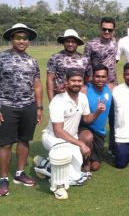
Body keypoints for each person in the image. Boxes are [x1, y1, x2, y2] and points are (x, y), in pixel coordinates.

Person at [40, 69, 106, 199]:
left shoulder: (82, 97)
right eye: (73, 81)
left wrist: (98, 111)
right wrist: (80, 144)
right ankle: (58, 187)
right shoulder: (58, 101)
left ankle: (46, 166)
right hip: (53, 138)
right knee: (64, 156)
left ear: (83, 82)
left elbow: (87, 119)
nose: (76, 83)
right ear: (66, 82)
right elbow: (58, 131)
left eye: (79, 81)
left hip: (71, 138)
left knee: (76, 173)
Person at [0, 23, 43, 197]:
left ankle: (19, 173)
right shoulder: (1, 58)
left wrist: (39, 107)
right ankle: (3, 178)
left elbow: (37, 85)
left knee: (24, 141)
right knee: (5, 143)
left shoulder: (32, 61)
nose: (22, 40)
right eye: (18, 37)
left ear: (28, 42)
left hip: (28, 106)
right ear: (11, 39)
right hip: (7, 105)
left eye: (25, 38)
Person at [83, 16, 118, 153]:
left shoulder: (115, 42)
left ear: (114, 31)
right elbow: (85, 64)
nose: (107, 32)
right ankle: (90, 143)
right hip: (95, 86)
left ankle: (113, 147)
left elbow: (115, 62)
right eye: (104, 29)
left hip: (112, 85)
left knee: (114, 117)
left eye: (110, 30)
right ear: (100, 28)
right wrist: (87, 84)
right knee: (94, 114)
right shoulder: (91, 44)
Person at [78, 64, 112, 172]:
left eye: (103, 77)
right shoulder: (85, 90)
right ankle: (85, 163)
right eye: (97, 76)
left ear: (107, 77)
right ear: (92, 77)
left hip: (99, 132)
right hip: (84, 127)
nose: (100, 79)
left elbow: (128, 83)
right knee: (88, 137)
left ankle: (92, 155)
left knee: (95, 166)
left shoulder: (111, 88)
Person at [47, 29, 88, 101]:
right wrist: (51, 101)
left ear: (77, 43)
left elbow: (87, 81)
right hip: (60, 98)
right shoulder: (55, 57)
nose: (70, 44)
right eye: (67, 41)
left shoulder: (84, 59)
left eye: (73, 42)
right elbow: (50, 80)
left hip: (79, 99)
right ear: (63, 42)